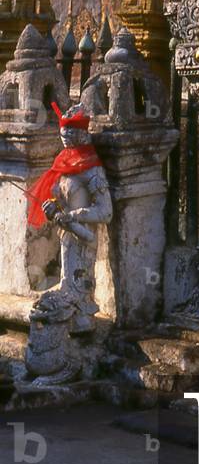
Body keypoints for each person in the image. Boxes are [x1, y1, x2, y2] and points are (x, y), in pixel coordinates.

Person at [26, 103, 112, 333]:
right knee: (66, 278)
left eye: (70, 132)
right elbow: (61, 197)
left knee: (80, 281)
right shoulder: (64, 163)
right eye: (64, 132)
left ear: (81, 134)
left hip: (84, 237)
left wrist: (73, 216)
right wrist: (53, 208)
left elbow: (106, 212)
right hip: (65, 234)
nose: (65, 136)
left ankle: (83, 314)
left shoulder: (93, 170)